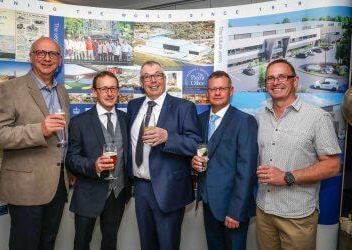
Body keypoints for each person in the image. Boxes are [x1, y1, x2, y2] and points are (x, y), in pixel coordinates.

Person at [0, 37, 70, 250]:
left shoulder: (62, 92)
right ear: (31, 57)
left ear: (59, 61)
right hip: (26, 188)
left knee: (48, 243)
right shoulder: (9, 89)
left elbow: (63, 138)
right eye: (41, 53)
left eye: (53, 54)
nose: (47, 58)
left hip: (58, 185)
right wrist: (39, 130)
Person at [256, 59, 341, 250]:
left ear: (295, 81)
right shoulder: (260, 117)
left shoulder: (317, 117)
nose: (275, 82)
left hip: (297, 216)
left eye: (282, 77)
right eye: (270, 78)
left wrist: (287, 176)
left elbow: (333, 166)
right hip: (263, 212)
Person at [127, 61, 201, 250]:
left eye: (157, 75)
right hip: (141, 187)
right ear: (141, 82)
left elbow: (195, 144)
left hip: (169, 189)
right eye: (147, 77)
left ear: (165, 79)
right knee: (147, 244)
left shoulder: (183, 107)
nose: (153, 80)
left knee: (168, 245)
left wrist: (168, 137)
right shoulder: (133, 106)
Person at [192, 71, 258, 250]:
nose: (217, 93)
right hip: (208, 203)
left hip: (232, 208)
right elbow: (198, 153)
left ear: (231, 90)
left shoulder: (245, 121)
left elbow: (247, 170)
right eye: (213, 89)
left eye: (222, 88)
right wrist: (193, 164)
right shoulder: (200, 120)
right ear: (207, 92)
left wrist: (236, 211)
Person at [66, 71, 131, 250]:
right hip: (89, 193)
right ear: (94, 91)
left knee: (110, 241)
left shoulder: (126, 119)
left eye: (113, 88)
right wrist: (92, 165)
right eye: (104, 89)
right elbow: (71, 159)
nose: (109, 93)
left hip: (117, 193)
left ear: (118, 91)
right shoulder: (79, 122)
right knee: (81, 243)